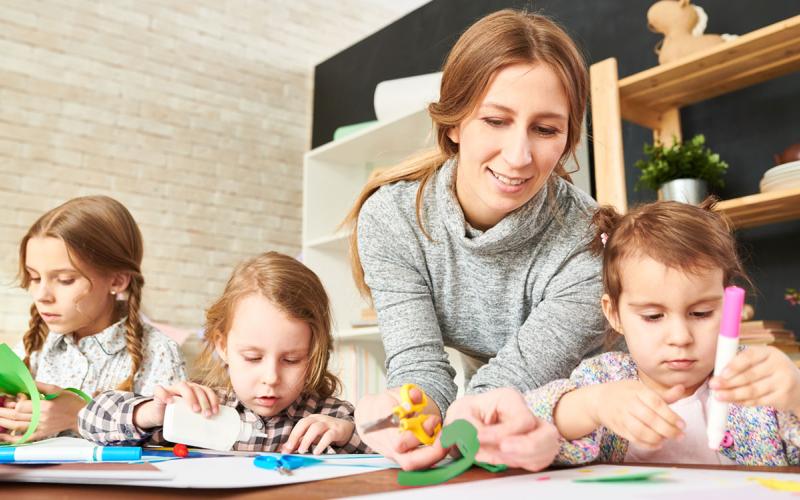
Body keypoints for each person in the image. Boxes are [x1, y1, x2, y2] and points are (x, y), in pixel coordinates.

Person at [344, 9, 605, 468]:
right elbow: (421, 369)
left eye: (545, 129)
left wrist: (454, 426)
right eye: (495, 120)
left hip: (593, 432)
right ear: (453, 123)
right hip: (515, 438)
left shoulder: (590, 241)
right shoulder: (392, 220)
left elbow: (508, 383)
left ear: (566, 141)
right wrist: (407, 412)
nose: (519, 156)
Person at [507, 199, 800, 466]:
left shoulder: (756, 380)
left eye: (701, 313)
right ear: (615, 314)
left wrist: (796, 395)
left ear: (728, 306)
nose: (680, 337)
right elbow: (524, 426)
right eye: (653, 316)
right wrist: (591, 406)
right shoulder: (604, 379)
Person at [78, 252, 371, 454]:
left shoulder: (331, 415)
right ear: (222, 345)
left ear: (314, 353)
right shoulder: (200, 409)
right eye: (253, 358)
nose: (270, 377)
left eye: (291, 359)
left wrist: (348, 433)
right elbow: (89, 418)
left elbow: (405, 445)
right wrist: (151, 412)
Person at [0, 195, 187, 442]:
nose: (41, 295)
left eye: (65, 280)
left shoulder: (159, 353)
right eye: (34, 277)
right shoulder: (33, 347)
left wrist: (78, 416)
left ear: (117, 280)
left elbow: (177, 439)